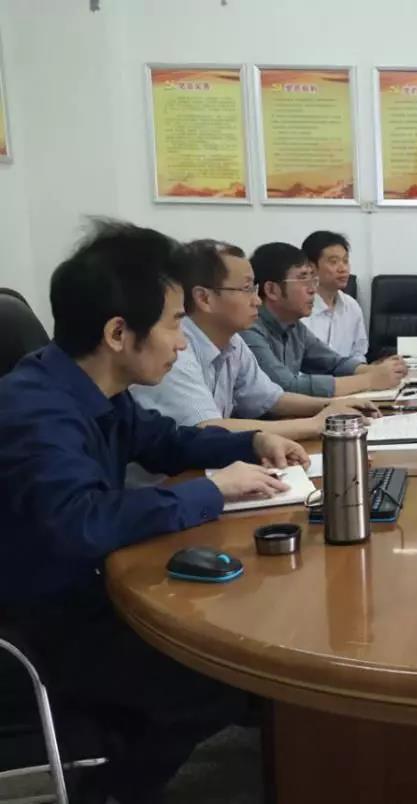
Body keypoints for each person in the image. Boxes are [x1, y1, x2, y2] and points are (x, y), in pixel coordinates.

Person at [0, 221, 309, 803]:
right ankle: (110, 791)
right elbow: (81, 522)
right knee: (224, 677)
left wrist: (252, 442)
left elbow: (168, 442)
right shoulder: (35, 410)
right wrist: (213, 490)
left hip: (93, 587)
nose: (182, 342)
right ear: (119, 332)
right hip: (42, 624)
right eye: (172, 324)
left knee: (257, 627)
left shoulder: (96, 389)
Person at [132, 239, 374, 440]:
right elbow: (205, 428)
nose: (257, 300)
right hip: (166, 480)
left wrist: (330, 408)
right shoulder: (175, 348)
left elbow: (271, 399)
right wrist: (315, 424)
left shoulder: (233, 342)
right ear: (204, 298)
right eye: (247, 289)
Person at [241, 242, 407, 396]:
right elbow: (286, 387)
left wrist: (377, 371)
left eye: (312, 280)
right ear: (272, 290)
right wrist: (369, 380)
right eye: (303, 279)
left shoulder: (294, 326)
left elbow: (334, 363)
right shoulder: (249, 329)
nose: (313, 290)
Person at [300, 230, 369, 363]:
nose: (343, 269)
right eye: (334, 262)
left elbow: (358, 353)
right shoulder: (298, 310)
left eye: (345, 261)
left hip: (350, 376)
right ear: (311, 267)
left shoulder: (352, 307)